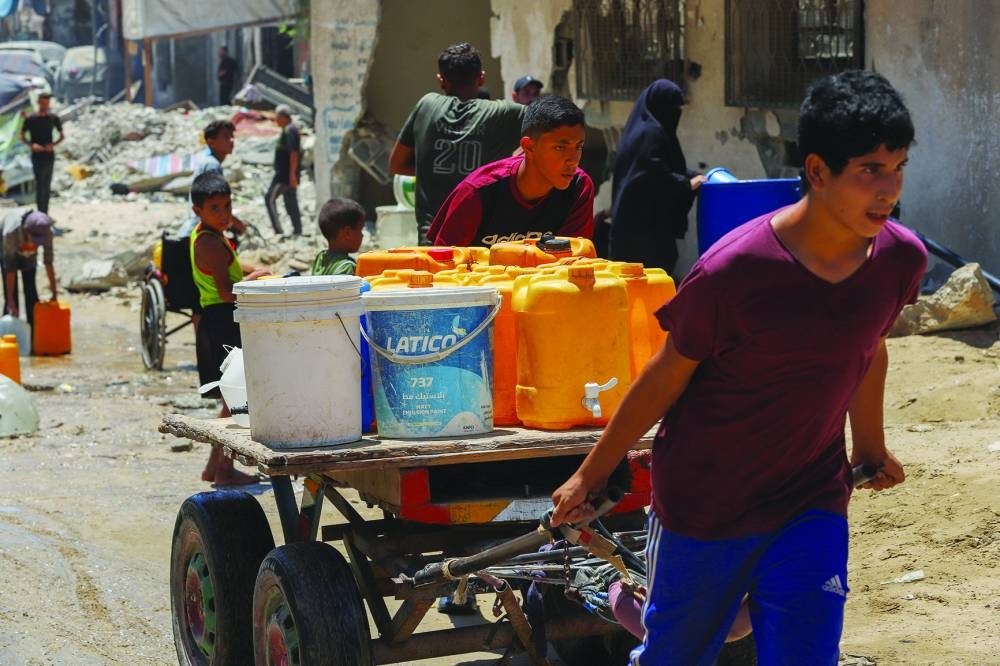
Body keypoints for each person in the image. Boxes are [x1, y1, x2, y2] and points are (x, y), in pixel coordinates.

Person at [550, 70, 927, 665]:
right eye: (870, 171)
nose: (889, 189)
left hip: (811, 498)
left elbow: (869, 347)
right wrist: (591, 473)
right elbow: (666, 376)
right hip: (706, 504)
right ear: (818, 171)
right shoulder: (735, 270)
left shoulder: (900, 259)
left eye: (898, 167)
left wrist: (870, 448)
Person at [389, 42, 524, 243]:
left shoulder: (427, 106)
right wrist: (513, 162)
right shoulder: (503, 113)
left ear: (441, 81)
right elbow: (549, 125)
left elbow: (396, 164)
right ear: (481, 78)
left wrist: (435, 169)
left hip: (433, 242)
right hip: (483, 243)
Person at [427, 94, 594, 247]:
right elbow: (444, 264)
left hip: (546, 280)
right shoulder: (477, 191)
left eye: (578, 147)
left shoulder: (579, 187)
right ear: (529, 147)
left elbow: (573, 262)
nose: (573, 160)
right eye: (560, 147)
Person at [190, 172, 270, 485]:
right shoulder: (209, 242)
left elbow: (230, 267)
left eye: (227, 206)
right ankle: (223, 470)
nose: (224, 215)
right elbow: (226, 290)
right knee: (234, 401)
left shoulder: (210, 235)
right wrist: (253, 281)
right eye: (215, 209)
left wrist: (253, 270)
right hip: (222, 321)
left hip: (218, 320)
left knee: (229, 398)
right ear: (198, 211)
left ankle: (214, 468)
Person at [608, 79, 705, 274]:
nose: (676, 113)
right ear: (662, 106)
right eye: (673, 107)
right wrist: (687, 184)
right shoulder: (650, 134)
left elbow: (661, 166)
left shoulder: (642, 130)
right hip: (644, 233)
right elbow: (652, 175)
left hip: (633, 227)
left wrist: (691, 176)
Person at [177, 119, 247, 238]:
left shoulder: (209, 162)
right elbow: (215, 202)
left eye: (232, 136)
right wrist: (237, 224)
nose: (231, 140)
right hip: (202, 233)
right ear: (211, 142)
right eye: (226, 136)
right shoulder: (212, 165)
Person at [1, 208, 57, 329]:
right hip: (7, 248)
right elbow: (10, 270)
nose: (36, 245)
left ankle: (34, 333)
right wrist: (10, 301)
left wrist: (54, 293)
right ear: (27, 231)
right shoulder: (11, 233)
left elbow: (48, 262)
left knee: (31, 292)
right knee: (11, 301)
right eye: (35, 241)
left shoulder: (47, 232)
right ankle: (7, 334)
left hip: (28, 256)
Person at [20, 92, 63, 214]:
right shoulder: (31, 119)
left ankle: (46, 212)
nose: (45, 105)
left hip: (49, 155)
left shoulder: (53, 118)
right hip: (37, 156)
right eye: (43, 102)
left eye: (47, 103)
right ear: (38, 102)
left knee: (47, 184)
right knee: (40, 185)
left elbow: (62, 136)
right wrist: (32, 145)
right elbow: (22, 136)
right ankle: (40, 212)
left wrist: (52, 145)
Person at [265, 105, 303, 236]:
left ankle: (278, 231)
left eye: (277, 117)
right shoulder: (289, 129)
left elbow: (294, 153)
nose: (275, 120)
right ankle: (297, 230)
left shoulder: (289, 130)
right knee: (290, 200)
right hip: (288, 174)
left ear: (282, 117)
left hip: (284, 175)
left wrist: (292, 175)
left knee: (269, 198)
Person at [311, 198, 365, 276]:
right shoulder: (346, 267)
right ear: (347, 233)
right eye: (360, 230)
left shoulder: (320, 257)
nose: (362, 235)